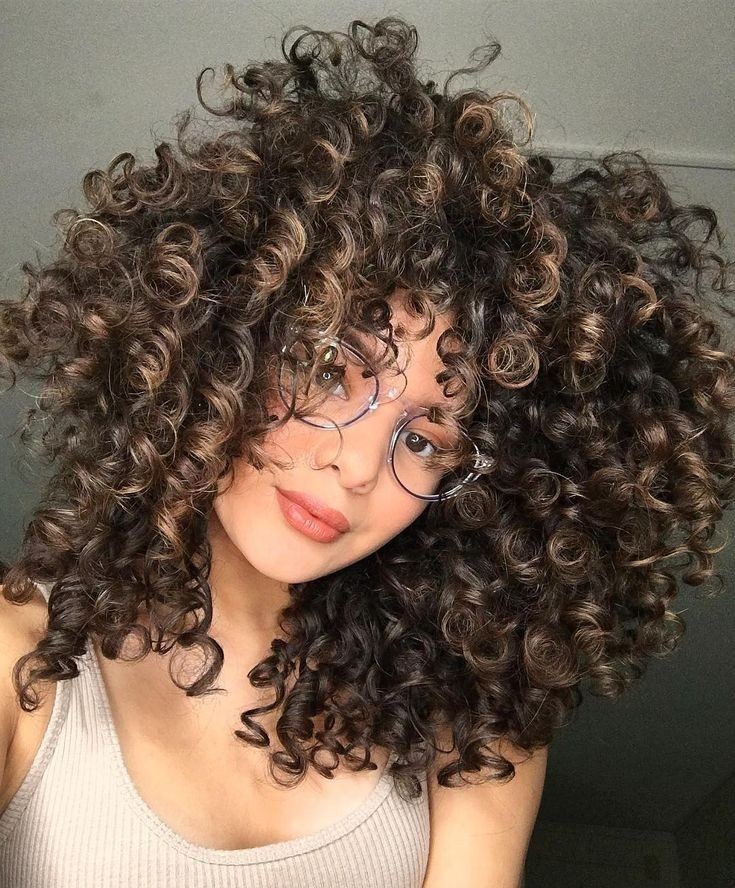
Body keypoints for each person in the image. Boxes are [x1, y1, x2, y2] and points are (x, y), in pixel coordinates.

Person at [0, 15, 733, 888]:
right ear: (218, 341)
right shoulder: (19, 654)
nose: (355, 468)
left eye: (422, 440)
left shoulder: (476, 724)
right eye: (329, 372)